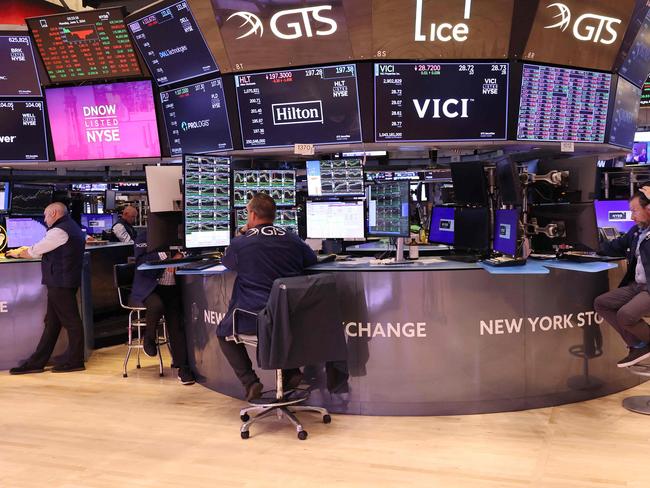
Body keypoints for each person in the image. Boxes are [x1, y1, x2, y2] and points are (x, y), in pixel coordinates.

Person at [217, 193, 318, 401]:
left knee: (222, 333)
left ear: (252, 214)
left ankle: (251, 382)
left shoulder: (241, 243)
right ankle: (290, 372)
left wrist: (243, 232)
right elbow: (311, 259)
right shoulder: (291, 238)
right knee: (277, 330)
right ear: (274, 215)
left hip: (256, 317)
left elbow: (228, 263)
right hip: (292, 315)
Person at [9, 202, 86, 374]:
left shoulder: (59, 230)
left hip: (60, 282)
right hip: (63, 281)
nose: (44, 219)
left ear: (55, 213)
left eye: (45, 215)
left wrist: (18, 252)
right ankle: (37, 363)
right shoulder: (71, 226)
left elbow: (34, 251)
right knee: (52, 323)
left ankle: (75, 361)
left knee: (71, 322)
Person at [130, 230, 195, 385]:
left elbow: (194, 250)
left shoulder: (182, 234)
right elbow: (140, 262)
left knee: (177, 325)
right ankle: (149, 338)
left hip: (172, 288)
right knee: (157, 305)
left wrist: (181, 256)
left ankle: (183, 367)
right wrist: (166, 256)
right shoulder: (146, 236)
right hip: (150, 289)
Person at [594, 188, 650, 368]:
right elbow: (613, 246)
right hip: (637, 286)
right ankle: (638, 345)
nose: (632, 216)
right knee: (602, 303)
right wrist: (586, 244)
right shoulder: (636, 231)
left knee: (626, 315)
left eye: (635, 211)